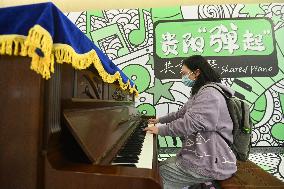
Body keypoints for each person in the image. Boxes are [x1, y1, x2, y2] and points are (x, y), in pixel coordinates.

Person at [144, 55, 237, 189]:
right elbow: (180, 114)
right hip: (198, 154)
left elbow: (190, 123)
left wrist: (160, 130)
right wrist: (159, 120)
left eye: (184, 73)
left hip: (211, 162)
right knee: (158, 166)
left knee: (154, 178)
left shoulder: (210, 94)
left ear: (197, 72)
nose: (182, 77)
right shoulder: (201, 92)